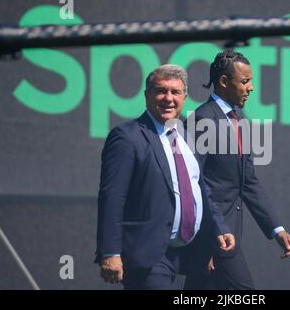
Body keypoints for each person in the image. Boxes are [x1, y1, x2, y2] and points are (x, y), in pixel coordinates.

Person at [95, 64, 235, 290]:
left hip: (192, 254)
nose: (168, 98)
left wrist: (219, 228)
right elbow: (112, 197)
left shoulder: (184, 137)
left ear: (185, 97)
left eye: (175, 92)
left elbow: (199, 188)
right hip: (148, 254)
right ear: (146, 95)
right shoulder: (127, 137)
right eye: (161, 91)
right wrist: (110, 252)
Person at [184, 50, 290, 290]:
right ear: (224, 82)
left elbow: (249, 182)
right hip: (214, 235)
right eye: (245, 81)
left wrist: (277, 229)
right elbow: (193, 182)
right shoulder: (202, 119)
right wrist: (212, 236)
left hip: (227, 235)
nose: (251, 87)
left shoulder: (240, 120)